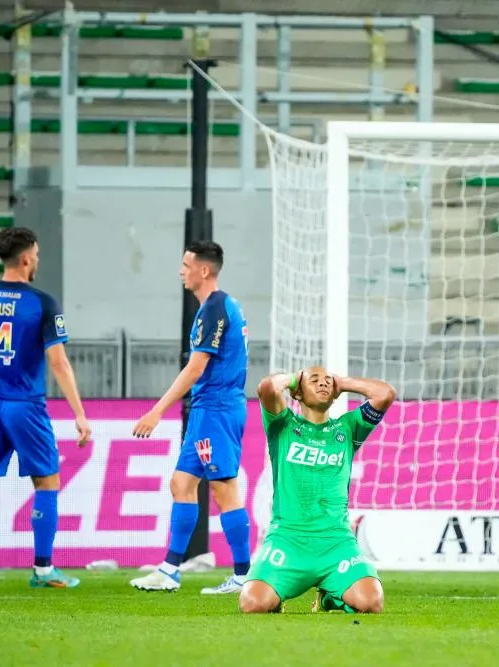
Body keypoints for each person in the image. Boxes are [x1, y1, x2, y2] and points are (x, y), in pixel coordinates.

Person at [0, 227, 92, 589]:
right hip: (24, 405)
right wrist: (79, 413)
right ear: (27, 257)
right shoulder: (42, 303)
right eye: (37, 255)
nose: (37, 262)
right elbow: (59, 363)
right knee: (47, 480)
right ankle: (43, 570)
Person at [130, 241, 252, 594]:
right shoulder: (224, 305)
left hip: (216, 410)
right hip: (208, 410)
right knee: (181, 485)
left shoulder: (215, 309)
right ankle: (169, 570)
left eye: (186, 264)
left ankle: (244, 575)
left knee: (224, 488)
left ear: (203, 270)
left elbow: (196, 367)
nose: (181, 270)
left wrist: (156, 411)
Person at [239, 367, 396, 614]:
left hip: (337, 543)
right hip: (288, 540)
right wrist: (294, 380)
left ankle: (328, 599)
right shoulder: (283, 425)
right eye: (314, 380)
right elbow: (267, 388)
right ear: (298, 393)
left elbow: (385, 393)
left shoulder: (348, 428)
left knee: (371, 602)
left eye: (326, 381)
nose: (323, 384)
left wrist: (341, 383)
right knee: (253, 604)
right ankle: (277, 598)